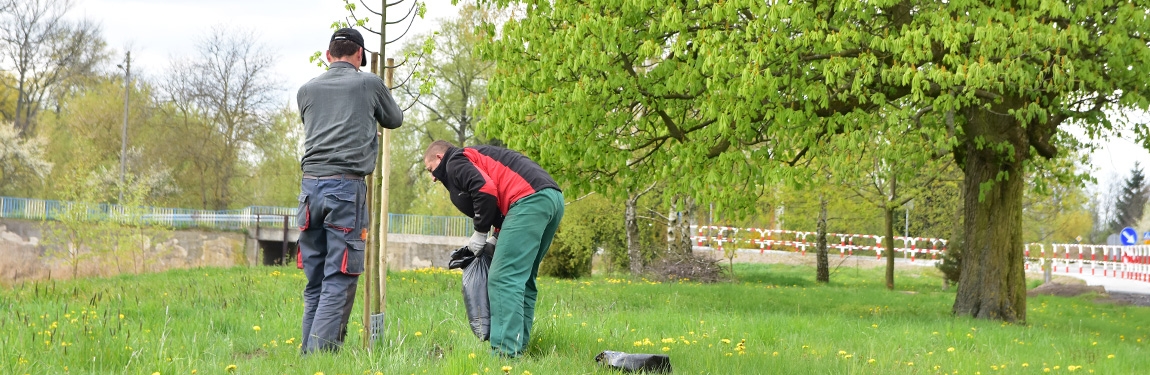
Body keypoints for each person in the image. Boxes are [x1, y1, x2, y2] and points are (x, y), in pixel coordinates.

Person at [295, 27, 402, 354]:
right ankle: (319, 359)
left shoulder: (306, 90)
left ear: (328, 56)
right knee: (339, 278)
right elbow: (394, 118)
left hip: (309, 191)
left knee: (316, 282)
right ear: (360, 56)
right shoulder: (369, 82)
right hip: (345, 188)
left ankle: (307, 353)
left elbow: (325, 129)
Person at [423, 140, 564, 358]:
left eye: (431, 169)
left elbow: (485, 189)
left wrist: (480, 233)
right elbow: (500, 195)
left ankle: (504, 355)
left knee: (502, 278)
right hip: (551, 198)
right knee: (523, 279)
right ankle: (519, 346)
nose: (433, 178)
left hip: (527, 200)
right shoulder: (476, 156)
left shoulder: (455, 162)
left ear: (440, 157)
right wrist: (496, 237)